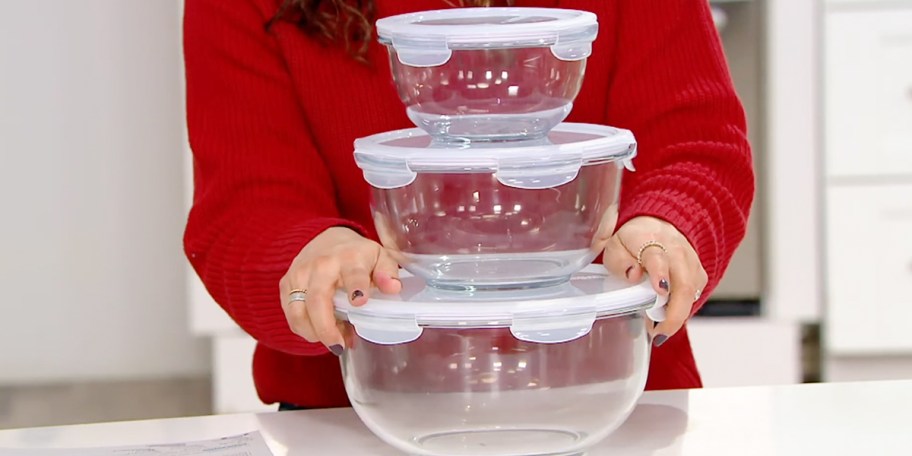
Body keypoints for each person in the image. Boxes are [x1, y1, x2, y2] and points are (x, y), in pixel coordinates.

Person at [182, 0, 755, 410]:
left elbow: (698, 148)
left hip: (609, 402)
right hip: (360, 416)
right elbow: (243, 208)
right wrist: (317, 256)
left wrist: (661, 227)